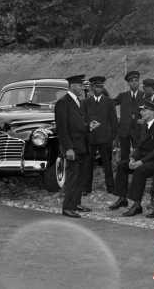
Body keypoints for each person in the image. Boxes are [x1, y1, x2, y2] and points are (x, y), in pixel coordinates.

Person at [109, 100, 154, 216]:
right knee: (122, 165)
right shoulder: (144, 125)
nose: (141, 113)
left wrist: (141, 162)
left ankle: (137, 204)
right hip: (142, 159)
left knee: (140, 170)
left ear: (152, 112)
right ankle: (122, 198)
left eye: (144, 111)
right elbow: (139, 146)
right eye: (141, 111)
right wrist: (133, 159)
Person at [55, 74, 91, 218]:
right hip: (72, 147)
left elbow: (78, 124)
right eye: (80, 85)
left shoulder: (79, 102)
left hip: (82, 145)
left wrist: (88, 127)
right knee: (72, 177)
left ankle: (76, 203)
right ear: (72, 86)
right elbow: (62, 128)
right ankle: (67, 208)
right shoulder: (63, 103)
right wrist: (68, 148)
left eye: (82, 85)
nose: (82, 88)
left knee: (80, 177)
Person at [83, 76, 118, 194]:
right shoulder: (86, 102)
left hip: (105, 139)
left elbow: (113, 121)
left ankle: (111, 188)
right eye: (97, 87)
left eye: (101, 87)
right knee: (88, 164)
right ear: (92, 88)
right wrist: (89, 125)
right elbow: (82, 119)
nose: (100, 89)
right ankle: (86, 188)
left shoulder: (109, 102)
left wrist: (113, 138)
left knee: (107, 164)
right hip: (90, 138)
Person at [114, 70, 145, 162]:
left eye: (136, 80)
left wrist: (144, 121)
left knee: (139, 152)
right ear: (128, 83)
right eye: (131, 81)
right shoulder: (123, 96)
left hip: (139, 130)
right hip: (124, 130)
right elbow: (110, 103)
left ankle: (137, 171)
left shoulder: (144, 95)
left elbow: (151, 111)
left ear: (139, 82)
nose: (134, 82)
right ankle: (124, 171)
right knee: (124, 154)